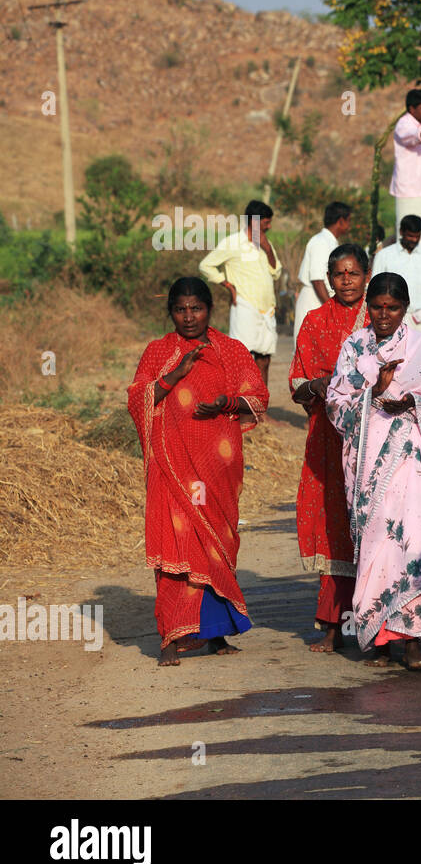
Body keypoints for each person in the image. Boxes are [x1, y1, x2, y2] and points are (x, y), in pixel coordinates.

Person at [127, 277, 270, 665]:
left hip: (215, 471)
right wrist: (173, 376)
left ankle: (217, 633)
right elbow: (138, 396)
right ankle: (171, 638)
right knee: (176, 546)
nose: (189, 317)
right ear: (170, 311)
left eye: (197, 309)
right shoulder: (158, 352)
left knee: (215, 544)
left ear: (211, 310)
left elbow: (257, 397)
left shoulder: (232, 350)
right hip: (171, 469)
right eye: (180, 310)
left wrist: (226, 402)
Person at [325, 273, 421, 669]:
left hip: (410, 457)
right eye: (378, 307)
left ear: (406, 308)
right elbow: (335, 402)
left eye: (393, 308)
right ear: (368, 306)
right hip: (367, 457)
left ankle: (413, 643)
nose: (384, 315)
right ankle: (379, 641)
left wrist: (414, 403)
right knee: (376, 542)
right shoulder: (354, 347)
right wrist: (373, 391)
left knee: (412, 538)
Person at [290, 245, 370, 651]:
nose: (346, 281)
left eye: (353, 273)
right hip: (327, 437)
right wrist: (317, 386)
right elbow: (296, 384)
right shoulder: (314, 321)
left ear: (366, 274)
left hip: (375, 438)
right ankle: (334, 623)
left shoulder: (382, 316)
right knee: (334, 524)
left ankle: (379, 627)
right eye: (338, 274)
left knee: (373, 527)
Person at [198, 200, 282, 384]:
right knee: (241, 360)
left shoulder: (266, 244)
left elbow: (276, 273)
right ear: (254, 222)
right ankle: (240, 409)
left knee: (264, 359)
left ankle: (259, 410)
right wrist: (228, 285)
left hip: (267, 310)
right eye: (266, 223)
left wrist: (268, 250)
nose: (269, 227)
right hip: (245, 306)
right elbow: (206, 265)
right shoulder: (233, 242)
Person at [294, 201, 351, 341]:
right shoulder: (320, 242)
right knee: (309, 350)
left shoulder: (331, 242)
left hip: (323, 301)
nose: (350, 225)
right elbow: (317, 280)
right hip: (315, 301)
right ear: (341, 221)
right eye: (349, 221)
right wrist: (331, 309)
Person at [391, 89, 421, 251]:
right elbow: (416, 137)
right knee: (410, 237)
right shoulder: (403, 125)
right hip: (410, 191)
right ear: (412, 109)